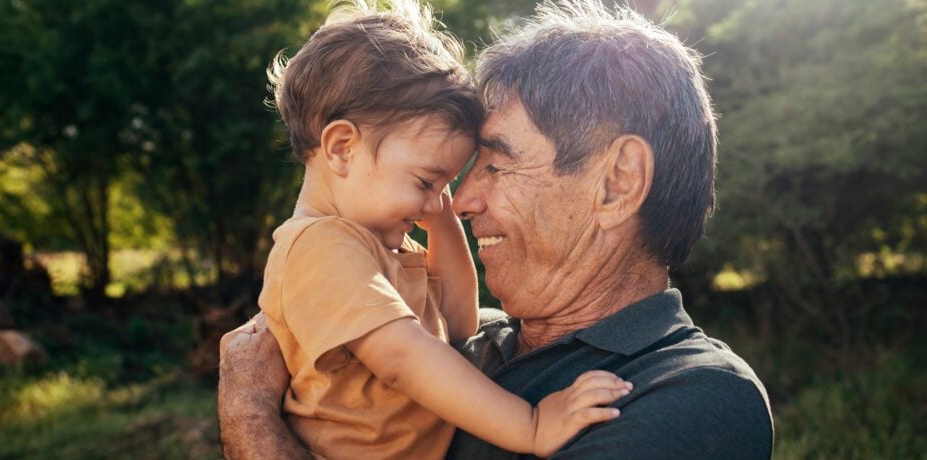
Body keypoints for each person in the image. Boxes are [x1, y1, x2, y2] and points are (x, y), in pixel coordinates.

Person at [219, 0, 774, 458]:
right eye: (439, 176)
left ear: (617, 183)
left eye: (497, 162)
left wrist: (251, 422)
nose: (458, 200)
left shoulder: (693, 396)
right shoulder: (471, 340)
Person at [250, 1, 632, 458]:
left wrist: (444, 226)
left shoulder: (382, 247)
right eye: (426, 181)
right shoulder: (320, 247)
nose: (438, 201)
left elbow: (458, 323)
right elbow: (404, 357)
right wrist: (529, 424)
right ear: (342, 148)